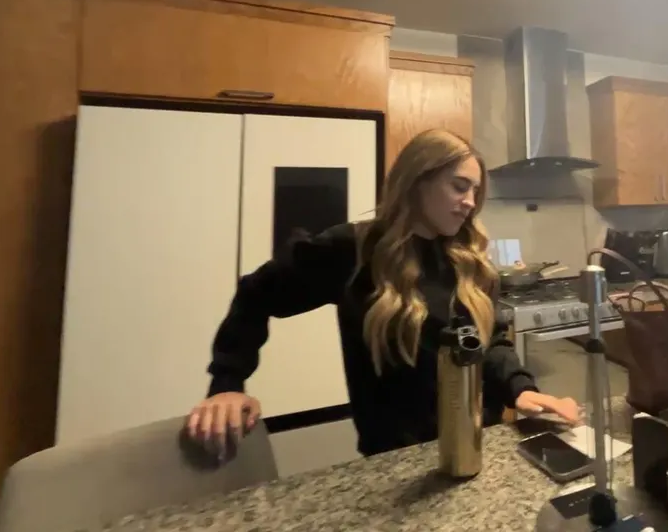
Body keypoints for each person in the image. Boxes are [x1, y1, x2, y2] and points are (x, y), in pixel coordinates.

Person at [185, 129, 581, 457]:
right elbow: (256, 294)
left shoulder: (469, 261)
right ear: (417, 181)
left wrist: (520, 389)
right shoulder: (354, 250)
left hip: (477, 447)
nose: (470, 203)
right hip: (396, 462)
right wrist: (227, 384)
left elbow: (488, 341)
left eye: (476, 192)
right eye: (460, 187)